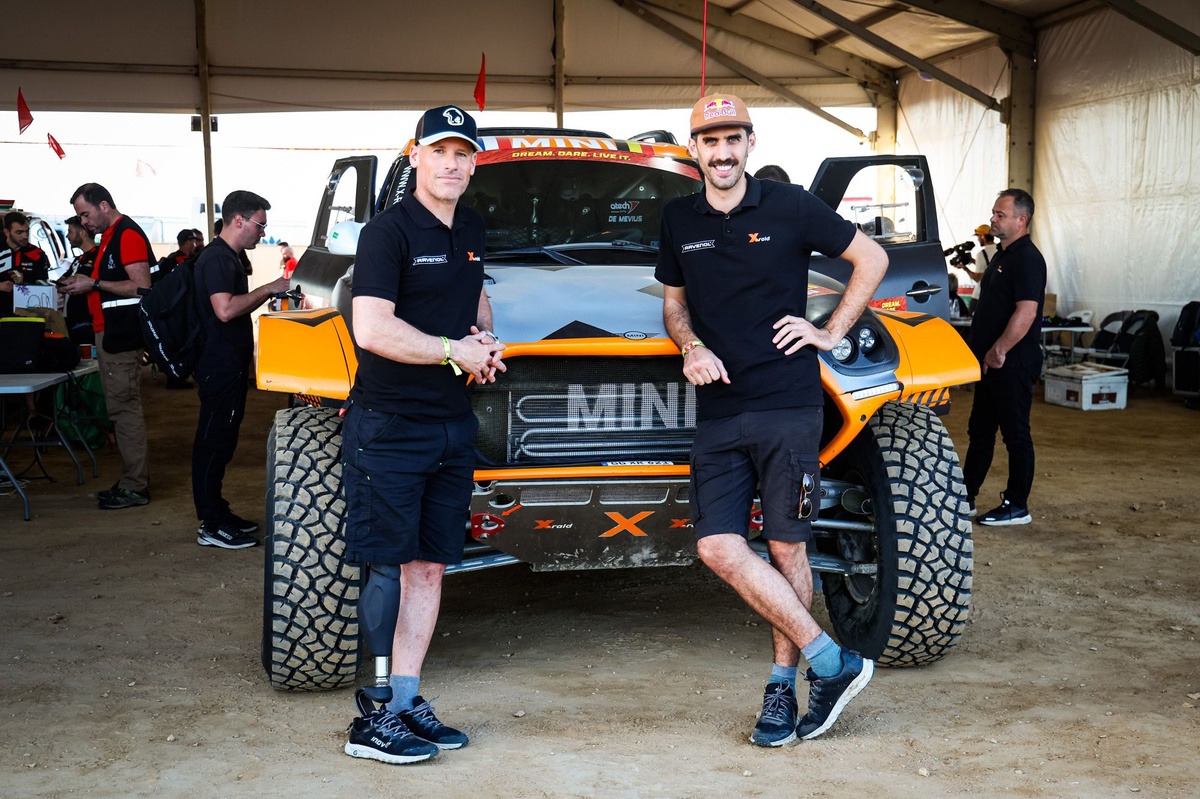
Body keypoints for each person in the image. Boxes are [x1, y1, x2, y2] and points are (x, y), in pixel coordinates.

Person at [655, 94, 888, 747]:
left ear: (750, 143)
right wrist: (690, 346)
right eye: (710, 141)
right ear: (694, 149)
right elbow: (674, 306)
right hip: (719, 407)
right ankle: (831, 661)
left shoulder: (791, 206)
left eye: (733, 139)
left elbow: (872, 259)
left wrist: (830, 331)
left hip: (788, 403)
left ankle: (783, 687)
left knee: (787, 546)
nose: (722, 152)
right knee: (717, 546)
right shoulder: (678, 217)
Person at [340, 104, 504, 766]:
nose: (452, 164)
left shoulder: (471, 225)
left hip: (450, 424)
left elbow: (473, 295)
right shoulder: (387, 232)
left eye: (463, 153)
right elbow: (372, 328)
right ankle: (373, 717)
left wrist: (484, 338)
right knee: (387, 564)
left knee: (430, 566)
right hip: (389, 427)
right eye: (440, 151)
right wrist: (450, 351)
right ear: (416, 157)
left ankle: (406, 699)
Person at [191, 191, 289, 549]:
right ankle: (211, 524)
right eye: (260, 225)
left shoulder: (227, 257)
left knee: (222, 441)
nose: (263, 233)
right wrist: (269, 289)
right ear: (238, 220)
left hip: (227, 366)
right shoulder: (217, 258)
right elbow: (226, 310)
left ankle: (217, 511)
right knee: (213, 443)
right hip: (217, 366)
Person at [60, 183, 155, 510]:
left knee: (125, 410)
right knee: (120, 409)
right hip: (111, 334)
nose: (84, 222)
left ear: (104, 205)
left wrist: (93, 283)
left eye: (85, 214)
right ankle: (131, 480)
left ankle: (135, 486)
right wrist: (87, 286)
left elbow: (142, 287)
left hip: (120, 335)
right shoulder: (112, 237)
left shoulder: (126, 235)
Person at [962, 189, 1046, 526]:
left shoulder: (1027, 258)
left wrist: (999, 350)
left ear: (1021, 220)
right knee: (980, 431)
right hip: (991, 363)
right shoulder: (1001, 255)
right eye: (994, 213)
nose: (993, 219)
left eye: (1000, 215)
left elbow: (1026, 312)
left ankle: (1017, 505)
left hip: (1012, 362)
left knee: (1015, 435)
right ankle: (966, 497)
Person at [1, 211, 53, 316]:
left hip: (27, 313)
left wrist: (24, 283)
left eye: (27, 231)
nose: (25, 236)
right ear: (7, 232)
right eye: (19, 232)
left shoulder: (37, 254)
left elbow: (44, 286)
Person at [61, 216, 98, 346]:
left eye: (70, 231)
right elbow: (61, 281)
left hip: (87, 323)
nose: (67, 236)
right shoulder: (79, 259)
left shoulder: (97, 255)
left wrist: (68, 282)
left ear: (82, 233)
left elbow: (75, 281)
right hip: (72, 322)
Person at [962, 223, 997, 302]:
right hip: (996, 294)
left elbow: (977, 278)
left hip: (981, 296)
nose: (978, 239)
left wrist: (965, 268)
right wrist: (972, 261)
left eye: (978, 236)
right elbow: (990, 266)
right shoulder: (1001, 249)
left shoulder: (982, 254)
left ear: (983, 236)